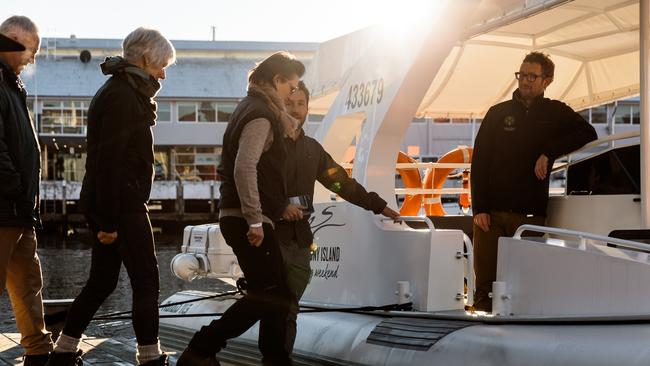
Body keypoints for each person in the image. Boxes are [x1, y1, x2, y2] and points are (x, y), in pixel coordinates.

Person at [46, 27, 176, 366]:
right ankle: (150, 357)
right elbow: (109, 160)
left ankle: (62, 351)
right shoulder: (122, 96)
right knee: (146, 281)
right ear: (146, 58)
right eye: (162, 64)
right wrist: (107, 220)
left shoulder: (123, 90)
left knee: (102, 282)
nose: (163, 73)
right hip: (123, 206)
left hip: (114, 203)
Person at [178, 52, 305, 366]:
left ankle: (273, 358)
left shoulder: (248, 107)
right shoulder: (261, 114)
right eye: (291, 87)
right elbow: (244, 167)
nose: (292, 95)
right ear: (276, 80)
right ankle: (202, 348)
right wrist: (254, 220)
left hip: (247, 216)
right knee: (273, 293)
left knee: (275, 293)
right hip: (247, 218)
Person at [470, 51, 598, 312]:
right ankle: (482, 324)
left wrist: (549, 151)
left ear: (546, 81)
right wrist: (479, 208)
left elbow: (588, 131)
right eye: (522, 75)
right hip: (491, 216)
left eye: (532, 76)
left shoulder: (555, 112)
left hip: (530, 215)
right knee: (485, 283)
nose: (525, 81)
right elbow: (480, 162)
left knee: (524, 283)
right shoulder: (497, 113)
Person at [279, 81, 400, 352]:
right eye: (289, 103)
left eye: (301, 104)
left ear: (308, 108)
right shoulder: (269, 144)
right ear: (279, 105)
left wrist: (377, 205)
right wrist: (277, 208)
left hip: (300, 240)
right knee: (276, 306)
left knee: (289, 309)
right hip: (272, 237)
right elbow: (254, 183)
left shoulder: (312, 149)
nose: (296, 110)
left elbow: (340, 183)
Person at [0, 15, 54, 366]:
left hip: (19, 211)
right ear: (14, 38)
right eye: (31, 49)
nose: (32, 58)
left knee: (28, 284)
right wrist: (17, 190)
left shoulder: (13, 85)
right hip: (5, 207)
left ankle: (39, 351)